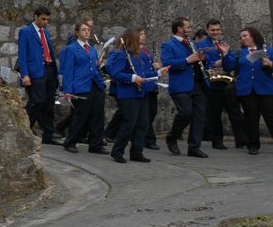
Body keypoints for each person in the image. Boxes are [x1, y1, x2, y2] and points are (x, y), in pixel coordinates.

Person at [106, 28, 166, 163]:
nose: (141, 40)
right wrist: (133, 78)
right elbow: (116, 74)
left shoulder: (137, 55)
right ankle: (117, 151)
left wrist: (158, 73)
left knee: (143, 124)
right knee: (129, 124)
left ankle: (136, 151)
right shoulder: (122, 55)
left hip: (141, 93)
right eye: (138, 38)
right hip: (128, 95)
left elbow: (143, 74)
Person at [221, 27, 273, 155]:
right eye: (241, 37)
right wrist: (225, 54)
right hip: (246, 90)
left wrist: (270, 64)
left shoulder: (268, 50)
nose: (243, 39)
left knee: (270, 116)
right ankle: (253, 144)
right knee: (251, 118)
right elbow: (228, 66)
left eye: (245, 36)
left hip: (265, 89)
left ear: (253, 36)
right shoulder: (240, 53)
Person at [162, 17, 209, 158]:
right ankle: (172, 136)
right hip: (180, 85)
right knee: (185, 113)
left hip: (197, 83)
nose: (190, 29)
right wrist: (187, 60)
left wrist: (203, 59)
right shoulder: (168, 45)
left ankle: (194, 147)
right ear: (180, 29)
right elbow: (167, 63)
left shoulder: (192, 44)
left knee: (199, 116)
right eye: (188, 27)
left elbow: (201, 63)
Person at [197, 19, 247, 149]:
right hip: (212, 83)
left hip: (226, 82)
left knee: (235, 111)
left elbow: (230, 65)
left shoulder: (224, 44)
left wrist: (225, 57)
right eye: (212, 30)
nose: (215, 32)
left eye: (218, 29)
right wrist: (213, 63)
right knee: (215, 113)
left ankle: (241, 140)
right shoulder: (199, 45)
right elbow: (198, 63)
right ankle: (217, 141)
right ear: (207, 30)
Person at [58, 21, 107, 154]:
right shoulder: (71, 49)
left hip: (95, 85)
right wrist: (67, 90)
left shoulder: (91, 49)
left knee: (98, 115)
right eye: (84, 30)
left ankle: (96, 144)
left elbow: (94, 68)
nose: (87, 32)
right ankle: (70, 141)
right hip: (81, 86)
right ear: (77, 33)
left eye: (88, 30)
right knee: (80, 115)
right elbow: (68, 70)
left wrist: (101, 79)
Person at [17, 7, 61, 145]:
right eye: (43, 19)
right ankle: (24, 128)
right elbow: (22, 55)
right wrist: (25, 75)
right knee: (37, 100)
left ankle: (48, 133)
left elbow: (49, 51)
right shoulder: (25, 31)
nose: (45, 22)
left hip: (49, 69)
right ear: (35, 17)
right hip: (35, 72)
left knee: (49, 103)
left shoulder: (46, 32)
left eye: (47, 20)